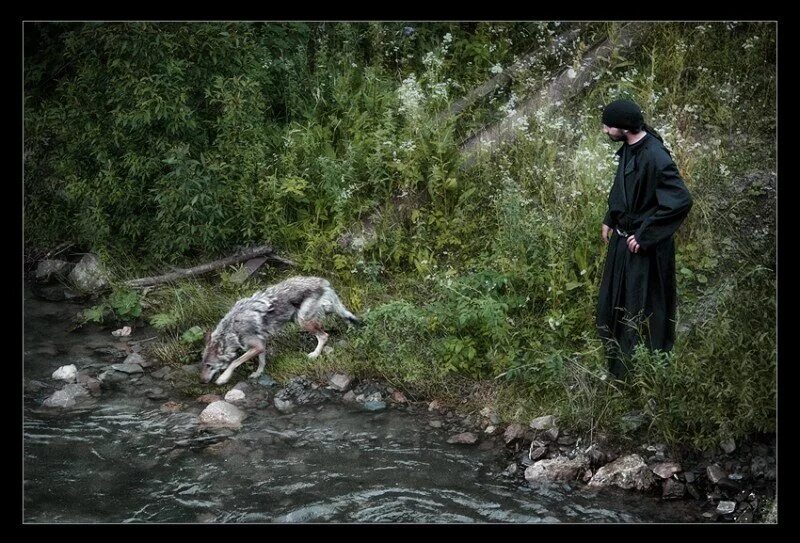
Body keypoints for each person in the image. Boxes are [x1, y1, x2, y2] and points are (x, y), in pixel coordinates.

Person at [596, 98, 693, 379]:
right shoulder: (630, 146)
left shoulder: (655, 155)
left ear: (624, 128)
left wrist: (646, 235)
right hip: (624, 242)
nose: (605, 131)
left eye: (608, 126)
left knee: (643, 309)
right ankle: (619, 371)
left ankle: (646, 376)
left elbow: (680, 200)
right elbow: (624, 186)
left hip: (644, 248)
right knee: (615, 303)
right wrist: (610, 217)